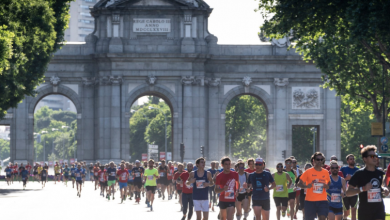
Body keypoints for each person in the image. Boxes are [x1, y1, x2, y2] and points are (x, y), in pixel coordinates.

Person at [346, 145, 389, 220]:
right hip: (365, 211)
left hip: (379, 209)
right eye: (372, 156)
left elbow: (379, 187)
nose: (375, 158)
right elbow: (348, 192)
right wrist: (363, 188)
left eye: (376, 156)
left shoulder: (380, 173)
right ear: (365, 159)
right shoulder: (359, 174)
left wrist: (384, 189)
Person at [298, 152, 331, 220]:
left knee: (322, 218)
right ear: (314, 160)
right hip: (310, 201)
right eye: (318, 159)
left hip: (322, 200)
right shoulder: (308, 172)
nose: (320, 161)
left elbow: (329, 182)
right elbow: (298, 184)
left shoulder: (325, 172)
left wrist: (327, 185)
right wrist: (306, 186)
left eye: (321, 159)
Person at [340, 154, 359, 220]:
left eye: (353, 159)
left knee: (354, 211)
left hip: (354, 193)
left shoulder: (358, 170)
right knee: (346, 213)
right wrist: (346, 178)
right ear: (347, 161)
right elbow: (339, 180)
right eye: (350, 159)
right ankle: (344, 217)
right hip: (345, 193)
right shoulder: (343, 169)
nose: (352, 160)